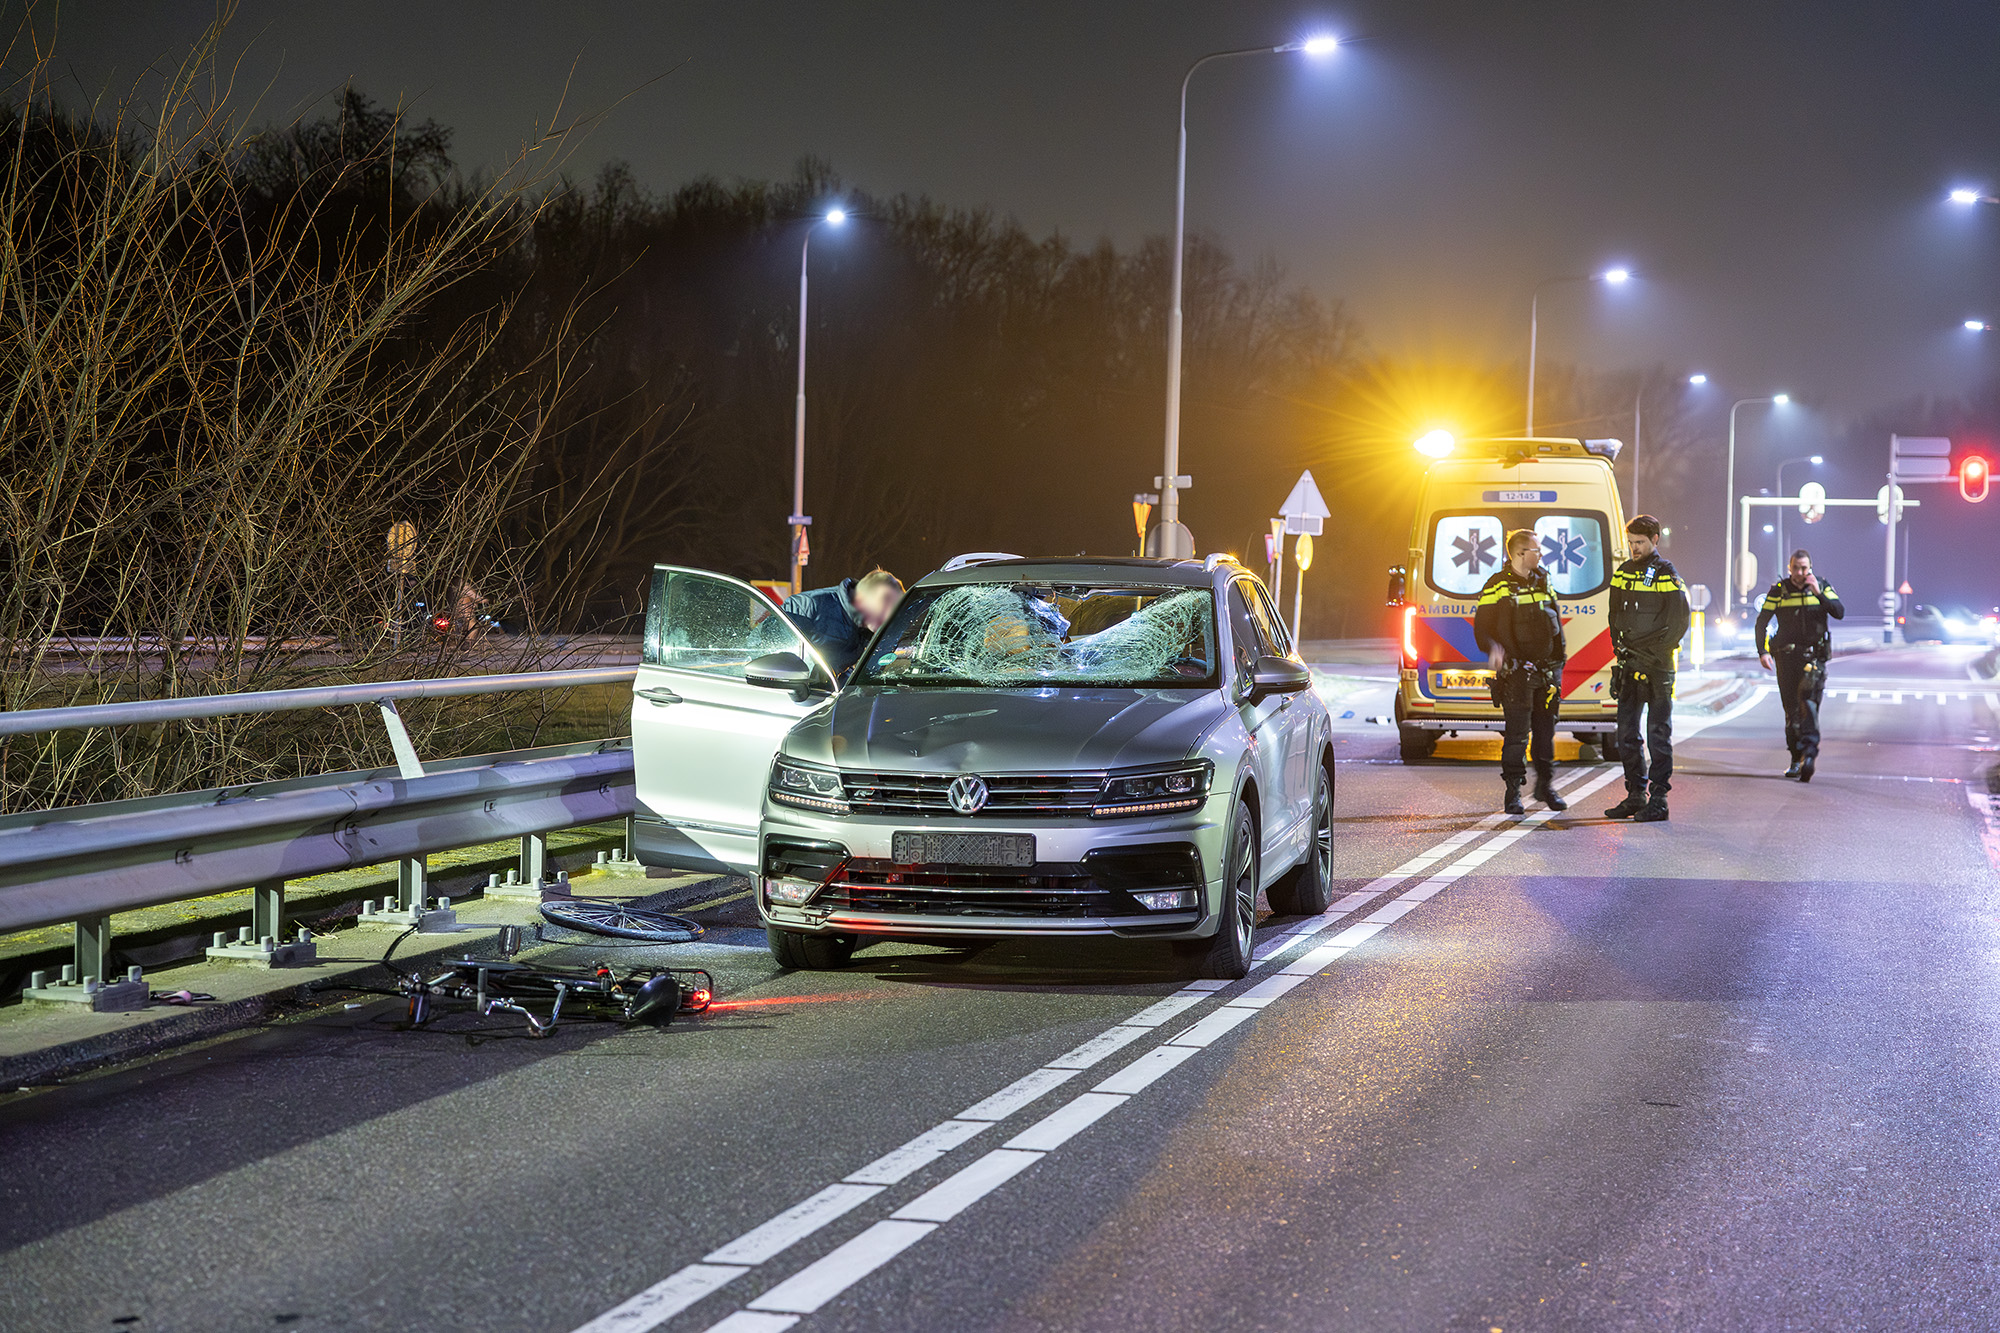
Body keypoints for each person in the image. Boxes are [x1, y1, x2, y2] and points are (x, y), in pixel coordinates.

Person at [1474, 529, 1569, 816]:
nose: (1541, 554)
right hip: (1516, 674)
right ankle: (1513, 792)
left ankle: (1546, 786)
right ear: (1519, 554)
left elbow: (1554, 622)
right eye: (1536, 550)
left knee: (1545, 732)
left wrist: (1558, 660)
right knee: (1517, 736)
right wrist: (1493, 649)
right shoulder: (1497, 585)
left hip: (1547, 672)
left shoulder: (1543, 580)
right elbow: (1482, 629)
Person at [1604, 515, 1690, 822]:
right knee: (1626, 733)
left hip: (1657, 666)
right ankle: (1635, 795)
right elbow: (1614, 617)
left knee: (1657, 733)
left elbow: (1679, 622)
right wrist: (1621, 650)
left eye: (1639, 542)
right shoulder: (1623, 573)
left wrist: (1654, 654)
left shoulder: (1667, 574)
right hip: (1629, 663)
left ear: (1655, 540)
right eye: (1630, 543)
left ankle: (1659, 800)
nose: (1634, 548)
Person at [1755, 549, 1843, 782]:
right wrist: (1763, 652)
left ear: (1810, 568)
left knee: (1808, 704)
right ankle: (1796, 758)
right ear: (1789, 568)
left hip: (1814, 657)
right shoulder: (1779, 590)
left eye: (1805, 568)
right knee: (1791, 711)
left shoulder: (1822, 586)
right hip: (1786, 658)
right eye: (1796, 568)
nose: (1800, 573)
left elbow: (1839, 612)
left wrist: (1818, 593)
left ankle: (1809, 754)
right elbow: (1762, 622)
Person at [781, 568, 904, 677]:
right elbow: (769, 650)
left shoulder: (870, 634)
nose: (889, 614)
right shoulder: (807, 606)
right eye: (885, 601)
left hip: (827, 696)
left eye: (894, 608)